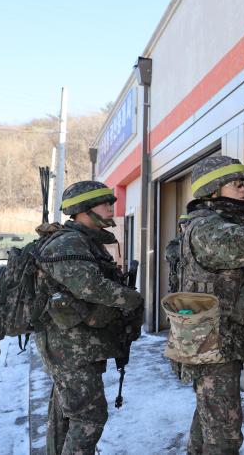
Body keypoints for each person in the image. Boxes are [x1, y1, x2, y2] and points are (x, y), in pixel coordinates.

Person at [166, 155, 244, 454]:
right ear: (213, 190)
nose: (243, 191)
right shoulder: (208, 227)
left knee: (209, 418)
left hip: (219, 340)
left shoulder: (215, 223)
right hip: (212, 346)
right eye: (236, 185)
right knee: (224, 436)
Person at [35, 180, 144, 454]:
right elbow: (89, 286)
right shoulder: (68, 242)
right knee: (88, 418)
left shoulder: (85, 241)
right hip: (69, 349)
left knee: (67, 415)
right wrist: (132, 298)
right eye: (105, 203)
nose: (111, 208)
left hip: (79, 345)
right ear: (84, 209)